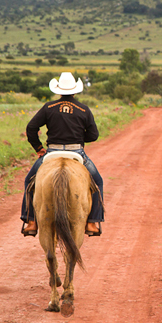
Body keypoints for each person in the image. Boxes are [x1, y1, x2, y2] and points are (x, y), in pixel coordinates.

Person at [20, 72, 104, 237]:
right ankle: (93, 222)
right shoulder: (84, 109)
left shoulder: (49, 107)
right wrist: (80, 138)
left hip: (52, 152)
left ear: (58, 90)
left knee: (29, 181)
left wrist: (38, 148)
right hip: (76, 152)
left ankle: (30, 221)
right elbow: (94, 135)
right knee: (98, 182)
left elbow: (31, 128)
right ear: (75, 90)